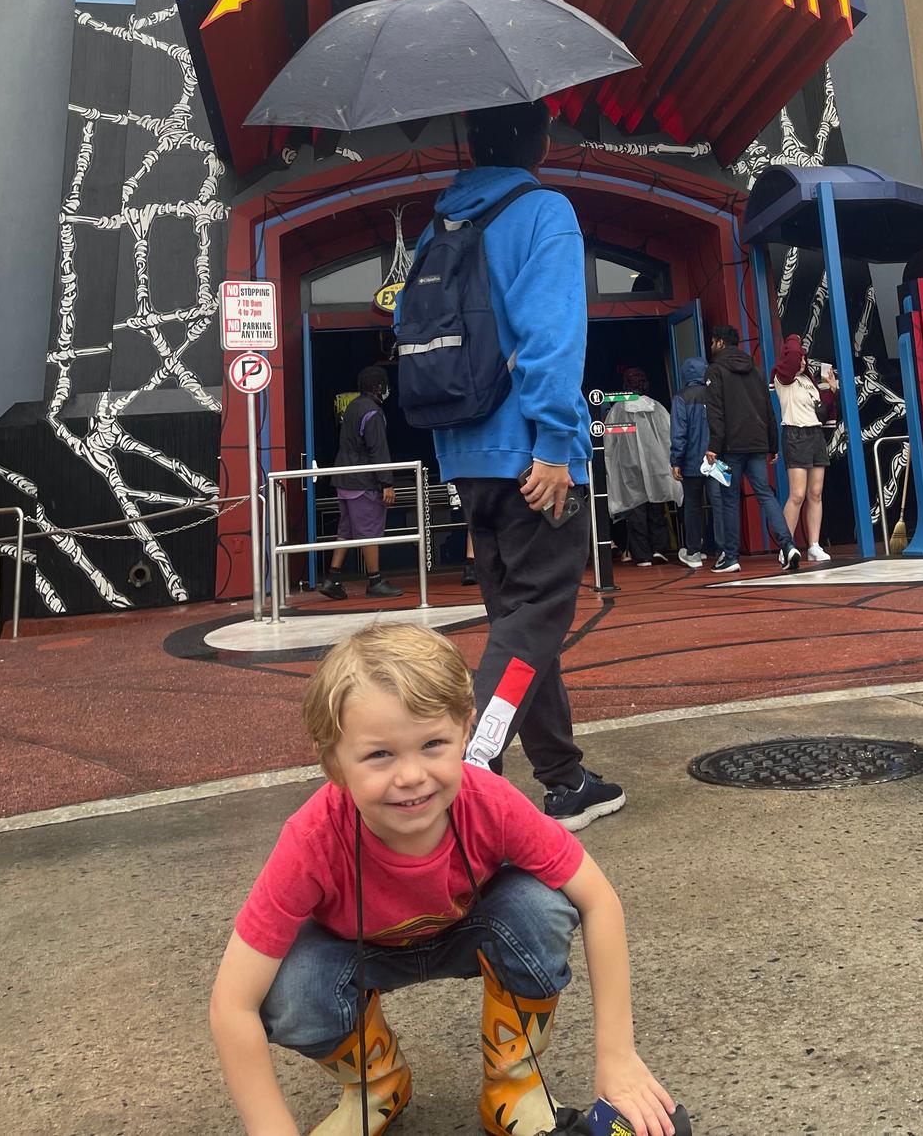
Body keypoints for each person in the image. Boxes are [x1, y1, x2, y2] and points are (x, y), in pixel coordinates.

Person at [210, 624, 677, 1136]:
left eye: (433, 743)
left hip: (473, 931)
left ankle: (513, 1081)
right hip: (353, 956)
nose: (411, 775)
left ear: (465, 733)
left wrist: (618, 1057)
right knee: (287, 983)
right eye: (379, 754)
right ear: (334, 765)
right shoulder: (312, 840)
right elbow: (232, 1004)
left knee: (542, 905)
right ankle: (377, 1083)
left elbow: (600, 901)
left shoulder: (490, 803)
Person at [399, 100, 623, 831]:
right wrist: (558, 445)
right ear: (542, 140)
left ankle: (564, 777)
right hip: (532, 456)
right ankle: (468, 761)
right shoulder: (542, 210)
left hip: (467, 455)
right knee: (534, 616)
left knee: (524, 619)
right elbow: (552, 335)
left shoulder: (443, 223)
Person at [704, 325, 802, 575]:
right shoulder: (755, 369)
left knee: (729, 500)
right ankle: (788, 545)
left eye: (713, 342)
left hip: (728, 447)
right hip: (757, 444)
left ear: (719, 343)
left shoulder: (715, 370)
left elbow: (715, 412)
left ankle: (731, 557)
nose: (711, 346)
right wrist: (773, 444)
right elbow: (767, 408)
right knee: (765, 495)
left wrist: (713, 446)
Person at [323, 367, 400, 601]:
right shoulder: (373, 413)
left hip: (344, 479)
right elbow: (378, 449)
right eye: (385, 385)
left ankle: (332, 578)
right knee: (370, 532)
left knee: (345, 531)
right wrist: (386, 482)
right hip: (363, 482)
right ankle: (375, 580)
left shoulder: (353, 406)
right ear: (378, 387)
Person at [772, 333, 837, 568]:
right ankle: (786, 546)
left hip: (815, 434)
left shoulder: (808, 380)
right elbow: (789, 362)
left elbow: (820, 412)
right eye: (799, 358)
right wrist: (795, 342)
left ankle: (814, 545)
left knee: (816, 493)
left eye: (804, 358)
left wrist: (830, 390)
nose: (802, 362)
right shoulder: (783, 378)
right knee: (797, 494)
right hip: (795, 434)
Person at [603, 367, 673, 567]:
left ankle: (642, 555)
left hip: (629, 466)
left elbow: (609, 442)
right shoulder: (657, 407)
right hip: (656, 464)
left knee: (636, 510)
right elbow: (668, 436)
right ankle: (660, 549)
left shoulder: (618, 409)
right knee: (657, 506)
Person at [669, 356, 717, 568]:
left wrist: (675, 460)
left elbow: (679, 434)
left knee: (692, 506)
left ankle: (694, 552)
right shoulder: (715, 395)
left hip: (690, 462)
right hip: (716, 460)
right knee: (720, 503)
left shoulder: (681, 398)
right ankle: (721, 549)